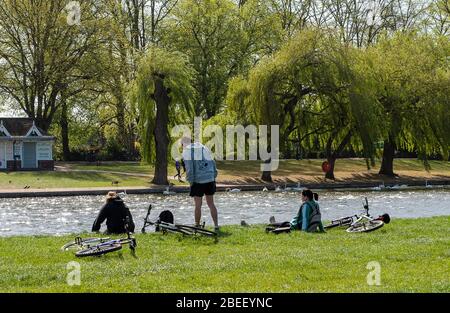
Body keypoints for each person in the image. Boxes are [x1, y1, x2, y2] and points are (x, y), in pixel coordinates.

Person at [181, 136, 219, 231]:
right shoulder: (204, 147)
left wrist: (190, 181)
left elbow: (189, 168)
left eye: (182, 145)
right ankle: (216, 225)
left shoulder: (187, 151)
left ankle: (197, 225)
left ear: (184, 144)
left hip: (198, 180)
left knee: (198, 205)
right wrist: (214, 175)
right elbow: (212, 161)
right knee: (211, 204)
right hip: (210, 178)